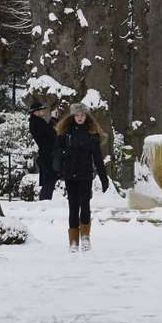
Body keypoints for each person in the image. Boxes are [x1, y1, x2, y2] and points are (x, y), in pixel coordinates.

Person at [55, 102, 110, 251]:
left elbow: (97, 158)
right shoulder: (65, 132)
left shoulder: (92, 134)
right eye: (77, 115)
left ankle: (85, 236)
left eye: (82, 115)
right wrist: (59, 169)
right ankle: (73, 240)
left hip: (85, 174)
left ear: (86, 116)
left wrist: (104, 179)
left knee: (85, 204)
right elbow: (58, 153)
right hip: (70, 174)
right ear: (73, 116)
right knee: (73, 205)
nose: (79, 118)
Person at [27, 98, 59, 202]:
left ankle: (45, 199)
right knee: (49, 179)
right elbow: (49, 134)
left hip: (47, 154)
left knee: (49, 179)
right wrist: (53, 120)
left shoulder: (37, 122)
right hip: (47, 154)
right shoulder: (37, 122)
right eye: (41, 110)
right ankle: (45, 200)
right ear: (35, 112)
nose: (43, 112)